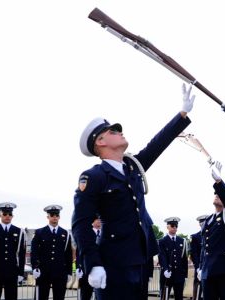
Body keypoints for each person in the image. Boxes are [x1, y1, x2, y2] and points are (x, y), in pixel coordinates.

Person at [72, 83, 196, 300]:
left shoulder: (132, 168)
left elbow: (157, 145)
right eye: (113, 131)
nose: (120, 132)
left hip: (140, 261)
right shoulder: (94, 177)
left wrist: (182, 114)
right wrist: (92, 264)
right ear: (100, 142)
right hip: (114, 263)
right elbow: (80, 225)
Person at [198, 162, 225, 300]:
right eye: (216, 193)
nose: (217, 194)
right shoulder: (208, 220)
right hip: (208, 271)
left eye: (221, 194)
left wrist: (219, 181)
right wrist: (201, 267)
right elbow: (204, 246)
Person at [31, 205, 74, 300]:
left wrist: (69, 272)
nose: (54, 217)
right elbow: (34, 252)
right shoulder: (39, 232)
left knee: (59, 297)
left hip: (60, 271)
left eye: (56, 215)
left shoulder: (65, 233)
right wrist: (35, 267)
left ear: (59, 217)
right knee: (41, 296)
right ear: (48, 217)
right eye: (52, 215)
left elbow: (68, 254)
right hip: (43, 271)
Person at [158, 217, 188, 300]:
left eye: (176, 226)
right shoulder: (162, 241)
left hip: (179, 275)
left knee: (179, 297)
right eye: (172, 225)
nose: (175, 227)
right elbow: (162, 256)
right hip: (167, 274)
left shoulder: (182, 241)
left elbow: (184, 259)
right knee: (165, 297)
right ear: (167, 227)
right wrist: (165, 269)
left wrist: (185, 275)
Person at [76, 215, 101, 300]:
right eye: (96, 219)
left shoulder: (106, 234)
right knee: (86, 294)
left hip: (102, 270)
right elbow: (79, 252)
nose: (99, 221)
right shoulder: (85, 234)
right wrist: (78, 267)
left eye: (100, 219)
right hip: (87, 269)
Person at [190, 215, 208, 300]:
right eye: (202, 222)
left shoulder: (212, 235)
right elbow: (194, 253)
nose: (203, 224)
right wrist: (197, 267)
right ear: (199, 224)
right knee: (197, 292)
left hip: (210, 267)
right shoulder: (195, 237)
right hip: (199, 268)